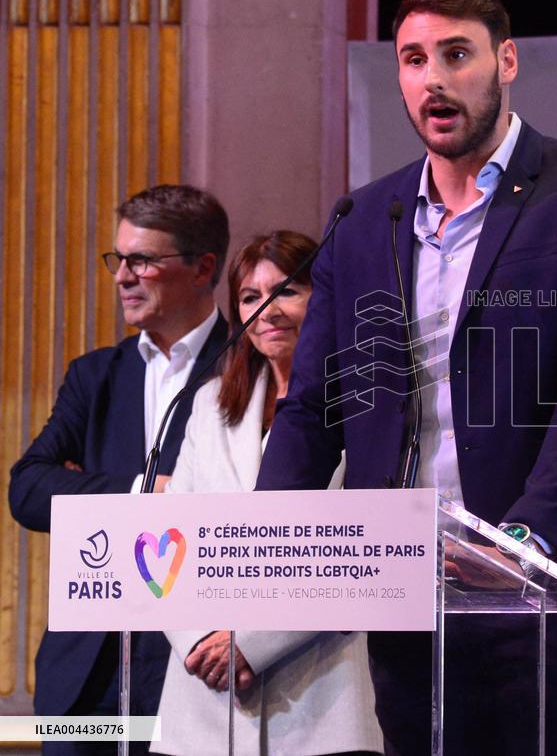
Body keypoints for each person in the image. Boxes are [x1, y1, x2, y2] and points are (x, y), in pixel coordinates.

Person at [256, 0, 557, 756]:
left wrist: (522, 541)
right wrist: (268, 539)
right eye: (412, 58)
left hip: (542, 591)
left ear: (507, 61)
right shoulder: (362, 218)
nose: (432, 79)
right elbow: (315, 406)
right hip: (404, 595)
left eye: (455, 54)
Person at [8, 185, 230, 755]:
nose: (122, 276)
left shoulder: (247, 369)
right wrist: (140, 489)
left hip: (196, 662)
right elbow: (30, 487)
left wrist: (83, 485)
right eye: (118, 259)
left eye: (142, 261)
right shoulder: (95, 376)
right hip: (87, 675)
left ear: (202, 268)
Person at [153, 231, 382, 756]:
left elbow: (363, 553)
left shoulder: (369, 402)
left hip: (321, 694)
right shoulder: (209, 402)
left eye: (287, 291)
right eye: (251, 297)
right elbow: (170, 538)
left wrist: (251, 643)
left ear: (324, 298)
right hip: (202, 694)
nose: (268, 310)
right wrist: (197, 641)